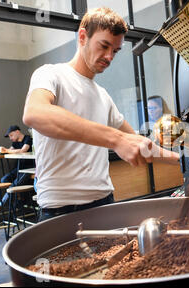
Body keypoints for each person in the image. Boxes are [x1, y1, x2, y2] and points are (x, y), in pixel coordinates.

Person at [22, 7, 180, 222]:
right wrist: (116, 139)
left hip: (105, 203)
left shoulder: (103, 95)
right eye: (104, 46)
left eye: (115, 51)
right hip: (60, 210)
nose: (109, 57)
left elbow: (138, 143)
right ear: (82, 36)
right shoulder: (50, 74)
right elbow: (35, 114)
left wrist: (182, 159)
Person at [0, 125, 34, 211]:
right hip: (19, 168)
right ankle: (19, 199)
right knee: (4, 179)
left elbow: (23, 150)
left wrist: (7, 150)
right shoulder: (15, 143)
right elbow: (9, 151)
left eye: (11, 135)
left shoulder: (28, 138)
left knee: (14, 185)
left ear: (17, 132)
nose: (10, 138)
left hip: (28, 169)